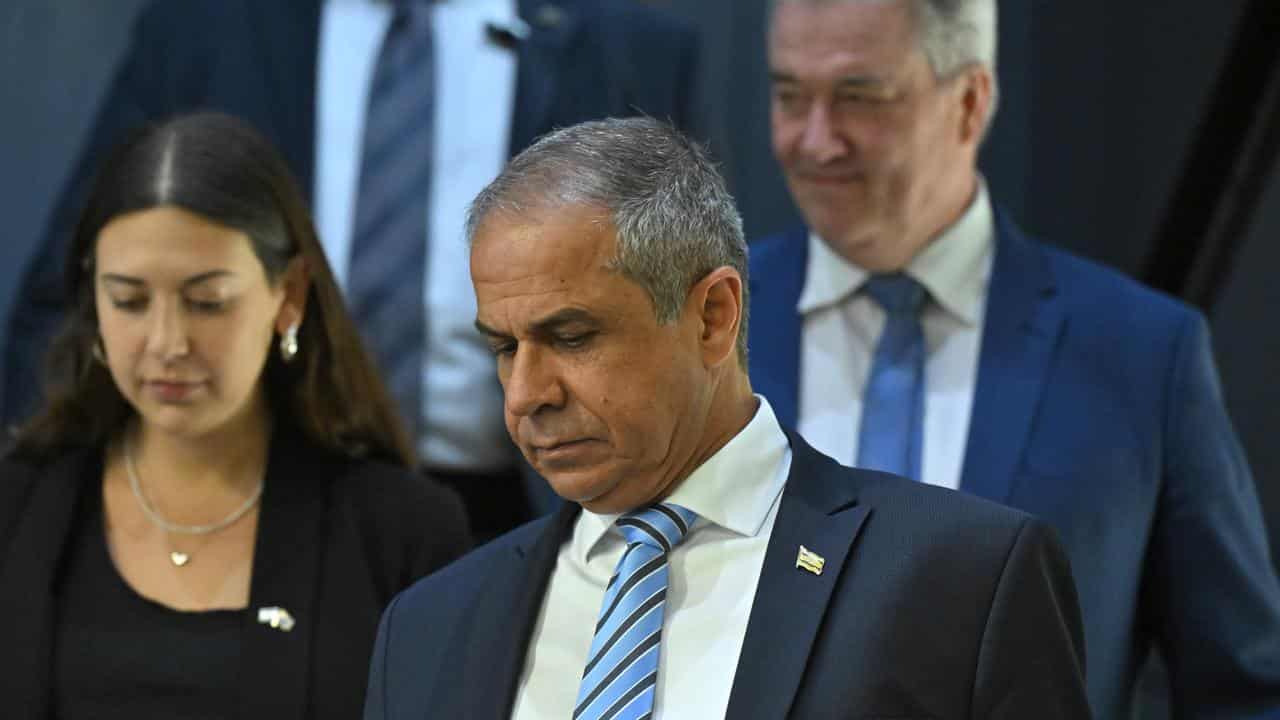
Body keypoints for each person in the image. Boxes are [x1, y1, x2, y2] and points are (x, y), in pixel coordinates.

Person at [363, 117, 1090, 719]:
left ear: (714, 316)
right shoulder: (428, 628)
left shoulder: (963, 580)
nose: (524, 395)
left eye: (572, 337)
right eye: (502, 347)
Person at [747, 0, 1280, 716]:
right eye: (789, 96)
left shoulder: (1143, 353)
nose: (814, 141)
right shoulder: (703, 329)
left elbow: (1242, 688)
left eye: (858, 97)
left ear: (970, 101)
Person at [5, 0, 701, 539]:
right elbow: (72, 295)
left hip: (528, 521)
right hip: (255, 508)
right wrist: (51, 513)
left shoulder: (625, 46)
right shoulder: (209, 25)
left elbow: (685, 326)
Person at [0, 112, 471, 720]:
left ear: (289, 295)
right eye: (129, 301)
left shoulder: (399, 533)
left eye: (207, 302)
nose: (167, 342)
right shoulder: (17, 510)